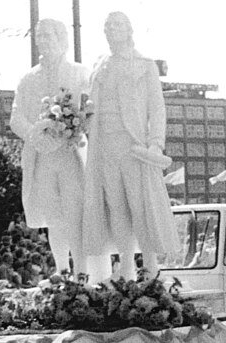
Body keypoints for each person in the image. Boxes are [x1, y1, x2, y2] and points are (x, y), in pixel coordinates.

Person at [82, 11, 180, 282]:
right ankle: (125, 264)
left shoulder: (144, 64)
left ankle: (150, 267)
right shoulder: (100, 65)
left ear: (128, 30)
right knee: (116, 207)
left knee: (141, 207)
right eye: (107, 26)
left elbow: (157, 108)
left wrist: (156, 143)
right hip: (105, 146)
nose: (111, 30)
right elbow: (92, 107)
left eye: (117, 25)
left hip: (134, 145)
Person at [9, 17, 90, 275]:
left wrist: (72, 128)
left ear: (61, 38)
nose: (43, 41)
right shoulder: (28, 78)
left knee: (75, 212)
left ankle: (81, 270)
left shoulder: (79, 72)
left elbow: (90, 109)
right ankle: (62, 269)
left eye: (49, 35)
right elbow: (16, 118)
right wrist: (35, 133)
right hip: (42, 155)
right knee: (54, 216)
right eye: (39, 36)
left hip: (71, 152)